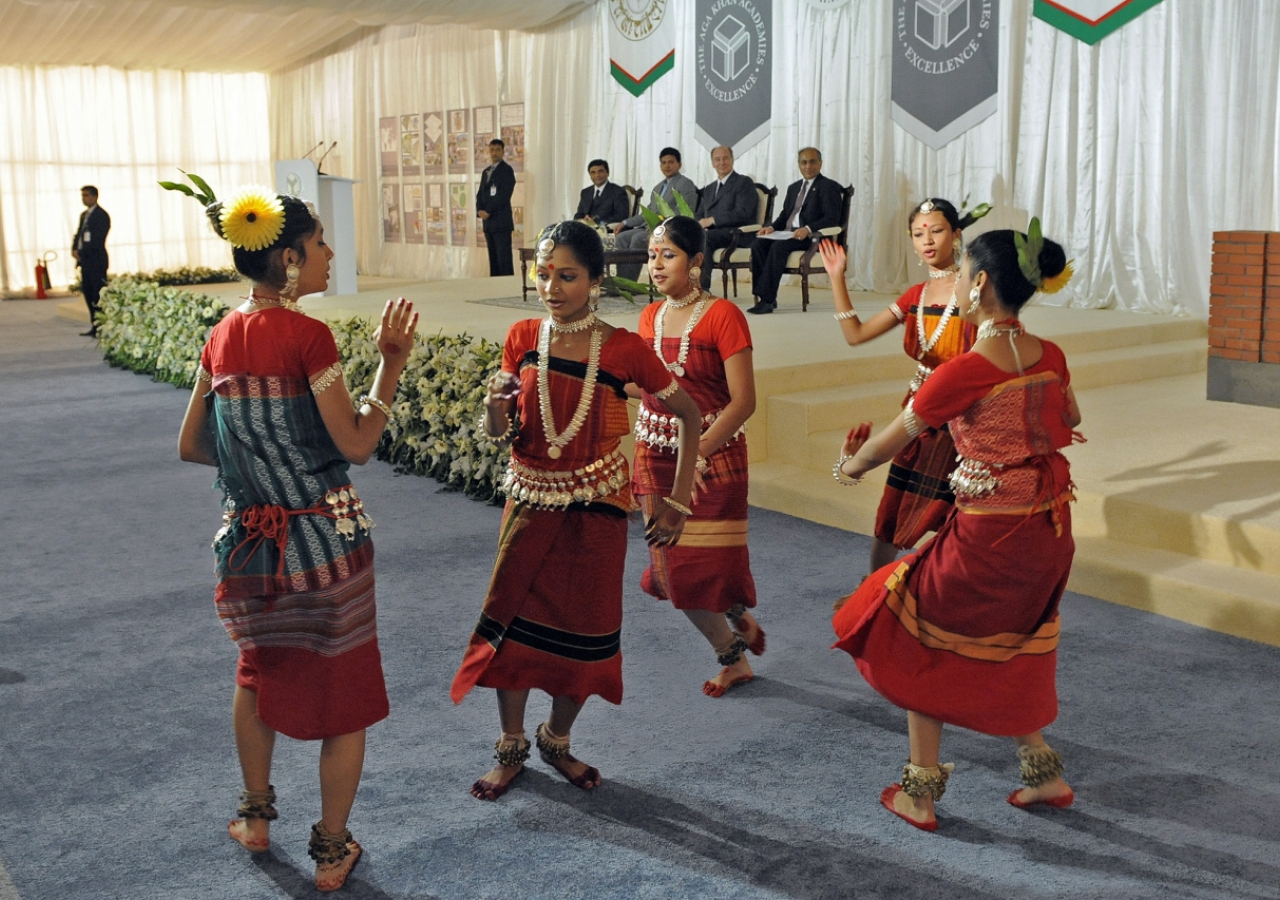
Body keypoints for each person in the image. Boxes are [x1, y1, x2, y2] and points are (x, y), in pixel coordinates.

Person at [178, 186, 418, 892]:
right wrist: (391, 363)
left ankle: (256, 818)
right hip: (324, 549)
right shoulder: (309, 337)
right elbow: (360, 442)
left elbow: (192, 445)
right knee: (345, 699)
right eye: (318, 245)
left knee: (257, 676)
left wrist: (259, 468)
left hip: (248, 550)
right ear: (288, 257)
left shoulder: (221, 335)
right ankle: (330, 851)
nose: (330, 254)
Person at [830, 221, 1080, 832]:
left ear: (983, 282)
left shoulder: (965, 370)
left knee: (917, 635)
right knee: (1009, 638)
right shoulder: (1051, 356)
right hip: (1049, 531)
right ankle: (1042, 772)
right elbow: (1068, 418)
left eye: (965, 272)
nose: (958, 281)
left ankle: (919, 792)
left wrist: (848, 465)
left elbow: (891, 441)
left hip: (991, 536)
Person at [451, 220, 703, 800]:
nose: (552, 287)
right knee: (508, 623)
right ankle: (511, 743)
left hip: (595, 510)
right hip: (530, 500)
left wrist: (677, 500)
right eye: (543, 274)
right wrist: (493, 407)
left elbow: (689, 415)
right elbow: (502, 431)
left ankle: (556, 740)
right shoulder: (521, 337)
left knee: (587, 632)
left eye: (567, 275)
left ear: (595, 279)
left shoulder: (622, 348)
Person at [632, 216, 764, 696]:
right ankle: (731, 653)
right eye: (651, 255)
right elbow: (647, 384)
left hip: (714, 455)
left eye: (668, 254)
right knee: (673, 575)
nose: (656, 264)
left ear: (697, 261)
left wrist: (699, 454)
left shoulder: (724, 315)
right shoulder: (650, 317)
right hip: (654, 453)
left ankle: (731, 615)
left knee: (710, 568)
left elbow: (743, 400)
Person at [819, 198, 981, 576]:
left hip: (963, 413)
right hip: (919, 408)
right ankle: (872, 591)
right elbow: (855, 335)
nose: (928, 240)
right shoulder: (915, 296)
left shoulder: (973, 290)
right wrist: (837, 277)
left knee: (962, 507)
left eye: (937, 230)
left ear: (956, 235)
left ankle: (955, 593)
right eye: (918, 233)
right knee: (897, 500)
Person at [747, 148, 843, 314]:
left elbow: (832, 218)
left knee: (778, 248)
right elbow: (785, 216)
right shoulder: (793, 188)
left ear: (820, 163)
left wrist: (808, 228)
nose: (808, 166)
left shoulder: (829, 187)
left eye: (812, 161)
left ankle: (767, 301)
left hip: (812, 237)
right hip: (788, 234)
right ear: (799, 164)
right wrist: (771, 228)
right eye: (803, 162)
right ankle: (764, 297)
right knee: (758, 244)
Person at [612, 147, 699, 281]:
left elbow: (684, 211)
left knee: (637, 238)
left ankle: (629, 283)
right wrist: (624, 223)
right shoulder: (658, 187)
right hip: (648, 227)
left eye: (671, 162)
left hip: (669, 230)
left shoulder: (685, 184)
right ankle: (622, 281)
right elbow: (647, 213)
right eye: (663, 163)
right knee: (621, 238)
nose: (667, 166)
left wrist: (660, 224)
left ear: (679, 165)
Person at [695, 146, 760, 291]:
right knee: (690, 237)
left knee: (705, 237)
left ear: (732, 159)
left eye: (725, 158)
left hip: (737, 233)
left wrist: (712, 220)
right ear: (712, 163)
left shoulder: (743, 182)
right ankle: (686, 286)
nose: (722, 162)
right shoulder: (710, 188)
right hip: (714, 233)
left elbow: (743, 213)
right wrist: (698, 224)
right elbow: (699, 213)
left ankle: (702, 289)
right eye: (717, 159)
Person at [72, 185, 110, 337]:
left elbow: (97, 239)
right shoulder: (84, 215)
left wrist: (84, 251)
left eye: (86, 195)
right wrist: (75, 249)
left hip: (96, 260)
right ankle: (94, 325)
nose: (84, 198)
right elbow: (79, 234)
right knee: (88, 293)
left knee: (97, 294)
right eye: (83, 195)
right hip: (85, 260)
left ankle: (102, 326)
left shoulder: (101, 215)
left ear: (95, 197)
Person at [476, 138, 516, 277]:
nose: (494, 153)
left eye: (497, 150)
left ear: (503, 152)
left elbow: (504, 195)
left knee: (503, 258)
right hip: (488, 223)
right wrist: (479, 210)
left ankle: (506, 287)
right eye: (492, 150)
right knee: (493, 257)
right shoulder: (486, 171)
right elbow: (480, 193)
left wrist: (489, 210)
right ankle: (494, 286)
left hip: (501, 221)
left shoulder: (507, 171)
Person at [574, 159, 629, 227]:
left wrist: (595, 222)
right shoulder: (585, 192)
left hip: (606, 229)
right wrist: (581, 220)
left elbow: (621, 216)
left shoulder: (618, 191)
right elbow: (579, 214)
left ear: (608, 173)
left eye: (600, 171)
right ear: (590, 175)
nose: (597, 175)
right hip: (585, 229)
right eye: (593, 172)